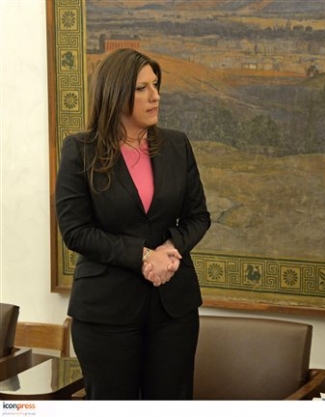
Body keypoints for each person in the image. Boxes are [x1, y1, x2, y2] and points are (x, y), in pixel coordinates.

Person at [55, 48, 211, 399]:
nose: (155, 96)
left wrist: (169, 249)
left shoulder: (177, 145)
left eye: (156, 85)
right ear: (115, 92)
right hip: (105, 311)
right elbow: (76, 231)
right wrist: (142, 256)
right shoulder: (80, 150)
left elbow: (198, 216)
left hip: (173, 308)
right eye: (142, 88)